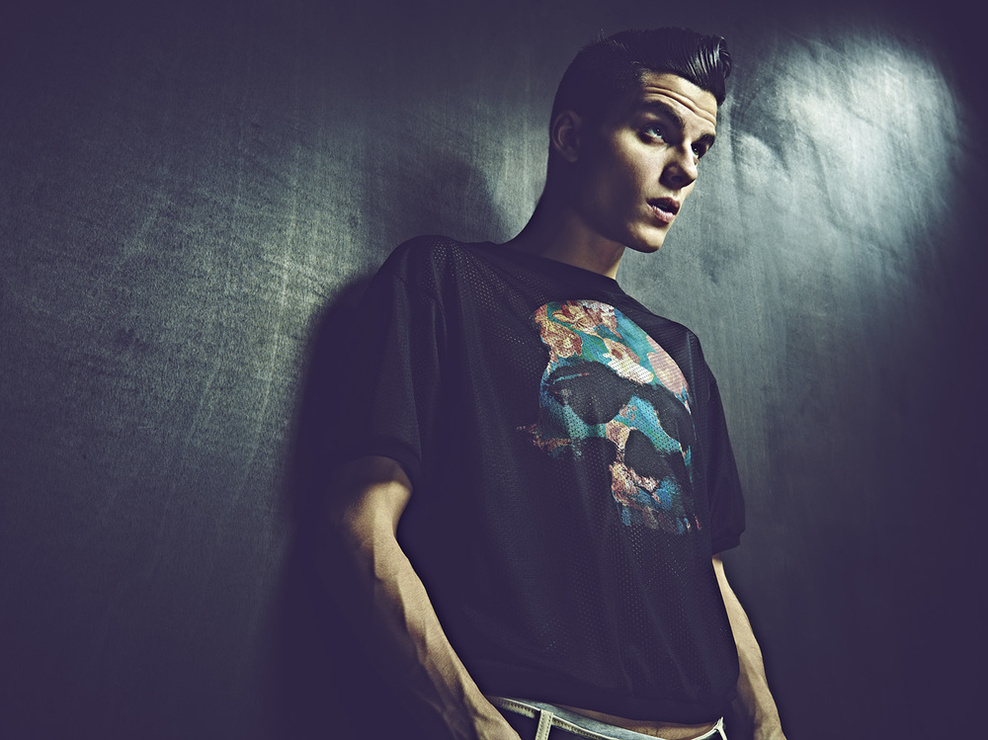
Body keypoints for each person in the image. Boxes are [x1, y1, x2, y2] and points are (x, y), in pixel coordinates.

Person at [324, 28, 786, 740]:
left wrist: (769, 728)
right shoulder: (447, 281)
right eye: (656, 132)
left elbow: (708, 574)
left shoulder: (679, 353)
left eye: (700, 148)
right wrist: (476, 726)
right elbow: (361, 524)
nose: (685, 169)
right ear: (571, 136)